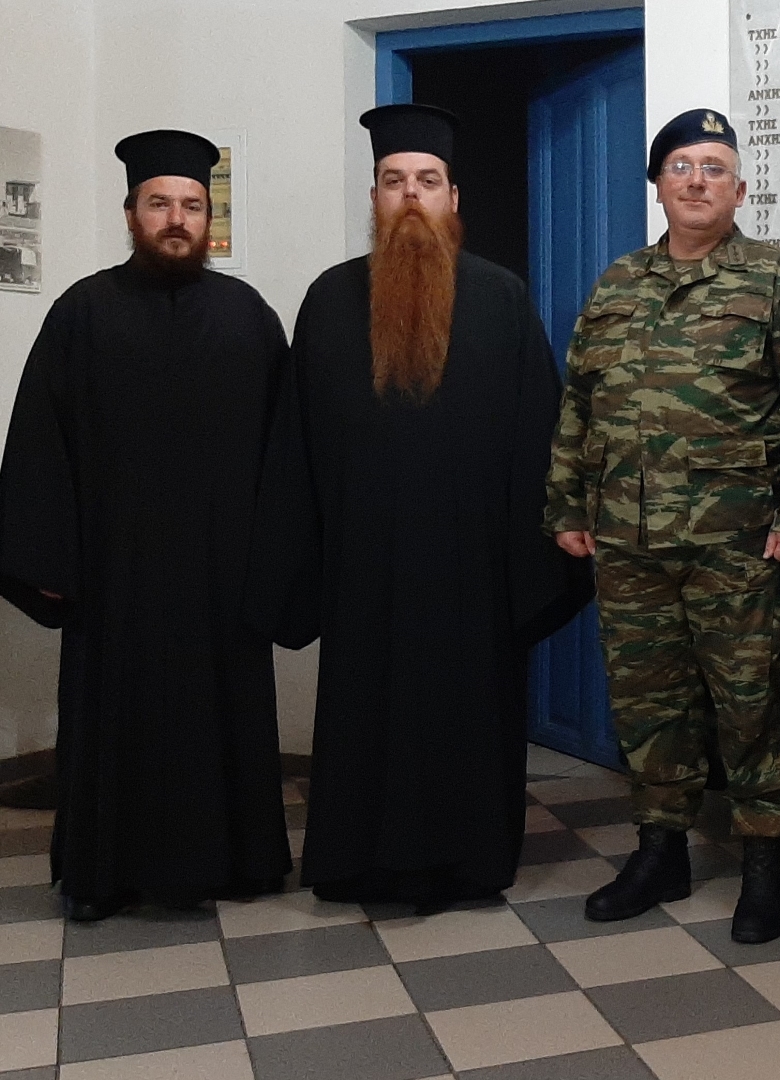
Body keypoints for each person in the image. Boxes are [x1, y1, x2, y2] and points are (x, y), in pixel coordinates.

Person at [249, 104, 591, 912]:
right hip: (362, 567)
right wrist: (298, 556)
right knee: (365, 713)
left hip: (472, 570)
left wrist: (543, 542)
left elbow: (540, 439)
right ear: (374, 196)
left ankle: (468, 863)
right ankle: (355, 861)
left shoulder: (502, 299)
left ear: (453, 199)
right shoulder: (329, 299)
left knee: (467, 712)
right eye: (394, 180)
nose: (411, 196)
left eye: (427, 181)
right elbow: (295, 446)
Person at [0, 130, 291, 920]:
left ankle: (236, 861)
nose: (176, 219)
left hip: (223, 575)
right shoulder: (82, 313)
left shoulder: (248, 317)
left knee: (219, 716)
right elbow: (40, 444)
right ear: (130, 213)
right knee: (115, 719)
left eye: (192, 205)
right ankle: (105, 874)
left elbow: (285, 451)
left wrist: (278, 559)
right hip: (114, 575)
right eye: (160, 203)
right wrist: (49, 559)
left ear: (208, 220)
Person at [546, 109, 780, 944]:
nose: (697, 181)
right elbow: (579, 404)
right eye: (682, 166)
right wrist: (565, 504)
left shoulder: (774, 280)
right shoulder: (617, 283)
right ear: (658, 185)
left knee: (749, 703)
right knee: (648, 702)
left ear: (741, 188)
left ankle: (766, 861)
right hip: (629, 539)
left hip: (736, 542)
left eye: (714, 167)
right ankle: (660, 851)